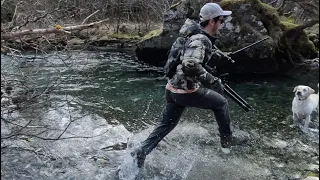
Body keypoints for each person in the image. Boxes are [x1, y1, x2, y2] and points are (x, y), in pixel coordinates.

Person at [131, 3, 248, 168]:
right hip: (186, 91)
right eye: (221, 20)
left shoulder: (192, 35)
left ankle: (142, 150)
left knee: (167, 125)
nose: (222, 24)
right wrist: (213, 81)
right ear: (212, 21)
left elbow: (190, 60)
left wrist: (214, 58)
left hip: (172, 89)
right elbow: (190, 64)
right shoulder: (200, 39)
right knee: (221, 103)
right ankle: (227, 140)